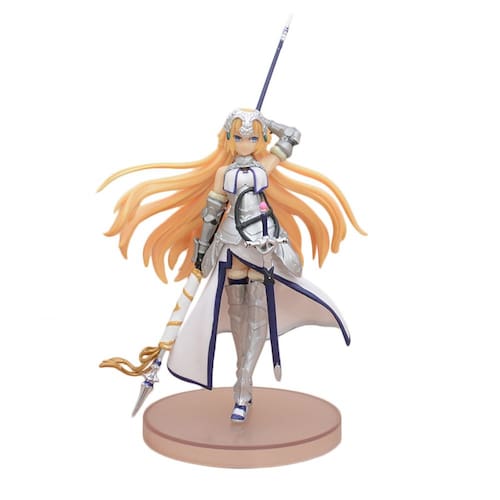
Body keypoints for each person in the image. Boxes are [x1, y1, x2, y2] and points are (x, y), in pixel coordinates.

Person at [99, 108, 365, 422]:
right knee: (237, 307)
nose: (245, 142)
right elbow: (212, 211)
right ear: (228, 138)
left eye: (252, 137)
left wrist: (268, 123)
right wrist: (201, 249)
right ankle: (243, 379)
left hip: (263, 241)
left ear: (260, 139)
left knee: (257, 306)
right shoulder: (223, 174)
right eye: (239, 136)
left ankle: (243, 384)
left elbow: (293, 135)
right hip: (230, 239)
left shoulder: (265, 166)